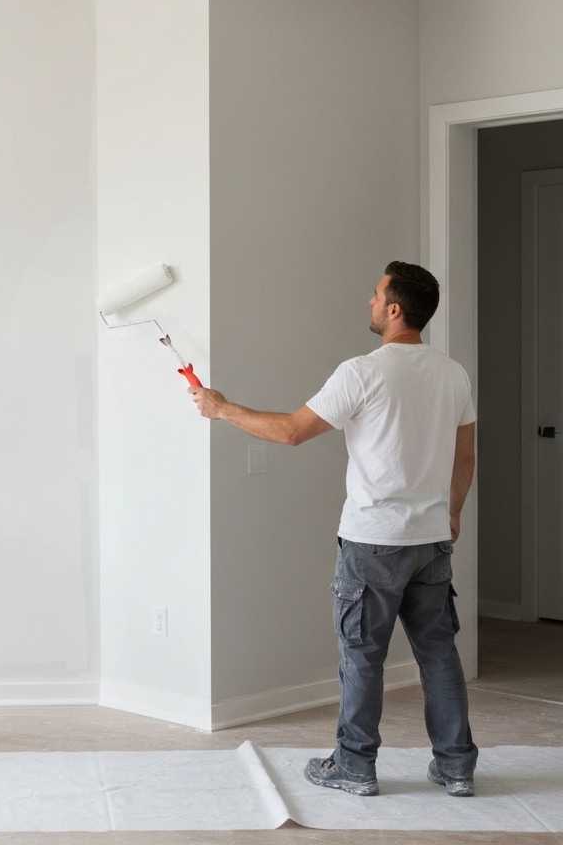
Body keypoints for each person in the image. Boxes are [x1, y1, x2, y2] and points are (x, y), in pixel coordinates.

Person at [189, 261, 478, 798]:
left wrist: (222, 410)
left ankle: (353, 767)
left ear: (395, 309)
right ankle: (457, 766)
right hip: (431, 540)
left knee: (363, 656)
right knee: (438, 654)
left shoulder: (363, 371)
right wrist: (453, 511)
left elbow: (293, 432)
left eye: (375, 295)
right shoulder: (452, 373)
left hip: (373, 542)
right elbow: (465, 457)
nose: (368, 303)